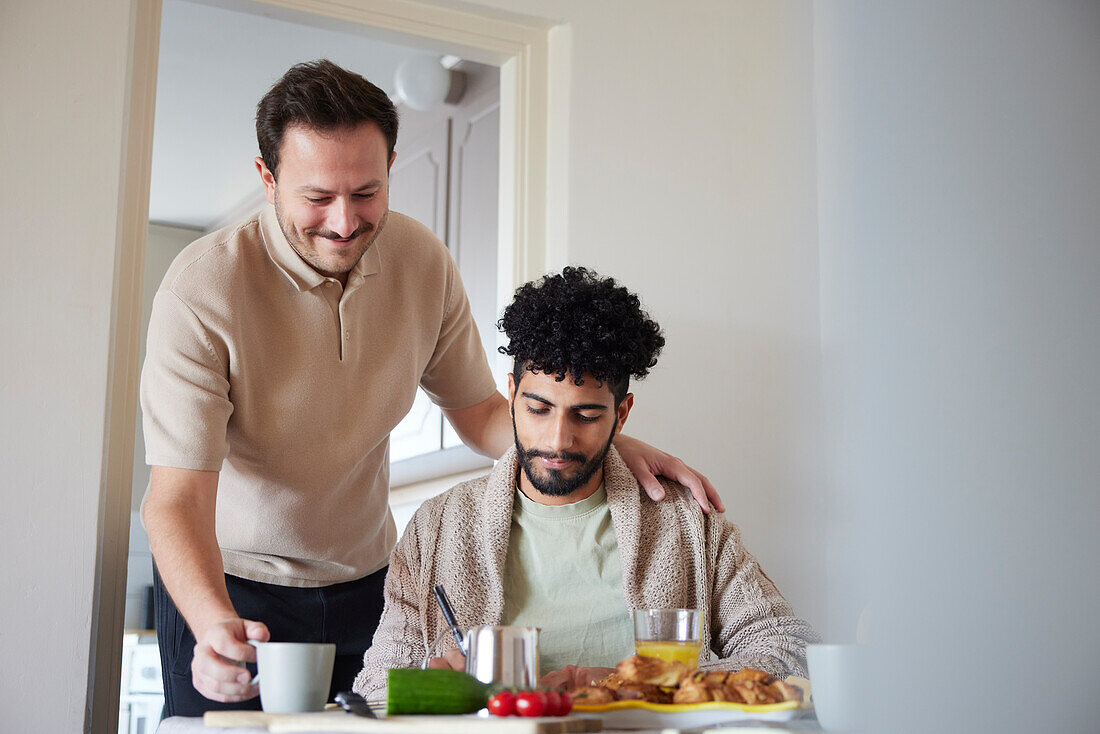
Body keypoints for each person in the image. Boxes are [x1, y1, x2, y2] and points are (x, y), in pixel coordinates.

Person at [139, 60, 721, 717]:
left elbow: (478, 415)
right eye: (316, 197)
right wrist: (213, 623)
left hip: (368, 581)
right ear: (267, 178)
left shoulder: (421, 261)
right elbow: (176, 499)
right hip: (232, 586)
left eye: (366, 192)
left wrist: (602, 438)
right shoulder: (203, 288)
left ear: (391, 165)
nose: (343, 221)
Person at [354, 267, 819, 699]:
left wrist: (649, 684)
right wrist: (434, 687)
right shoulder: (438, 529)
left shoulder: (684, 523)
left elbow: (791, 649)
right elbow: (375, 686)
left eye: (587, 414)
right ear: (512, 394)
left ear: (622, 414)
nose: (558, 439)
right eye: (538, 409)